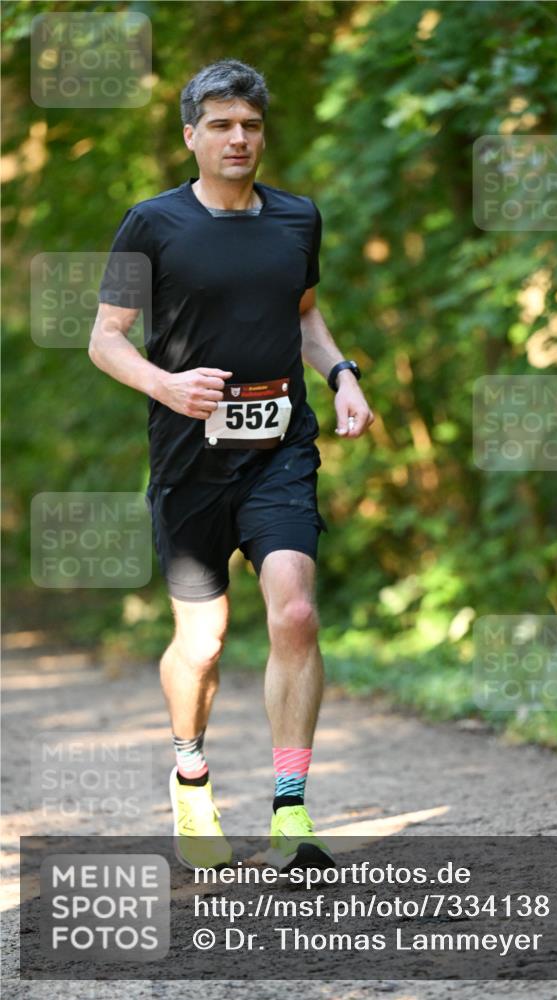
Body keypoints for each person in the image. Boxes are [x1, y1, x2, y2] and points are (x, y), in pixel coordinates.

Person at [89, 59, 373, 872]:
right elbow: (104, 338)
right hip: (189, 458)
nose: (238, 138)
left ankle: (290, 812)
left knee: (294, 614)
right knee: (204, 641)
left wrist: (343, 376)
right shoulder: (151, 223)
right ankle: (190, 775)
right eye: (220, 125)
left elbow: (306, 317)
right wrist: (166, 385)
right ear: (192, 136)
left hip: (280, 448)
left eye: (249, 124)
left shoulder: (296, 219)